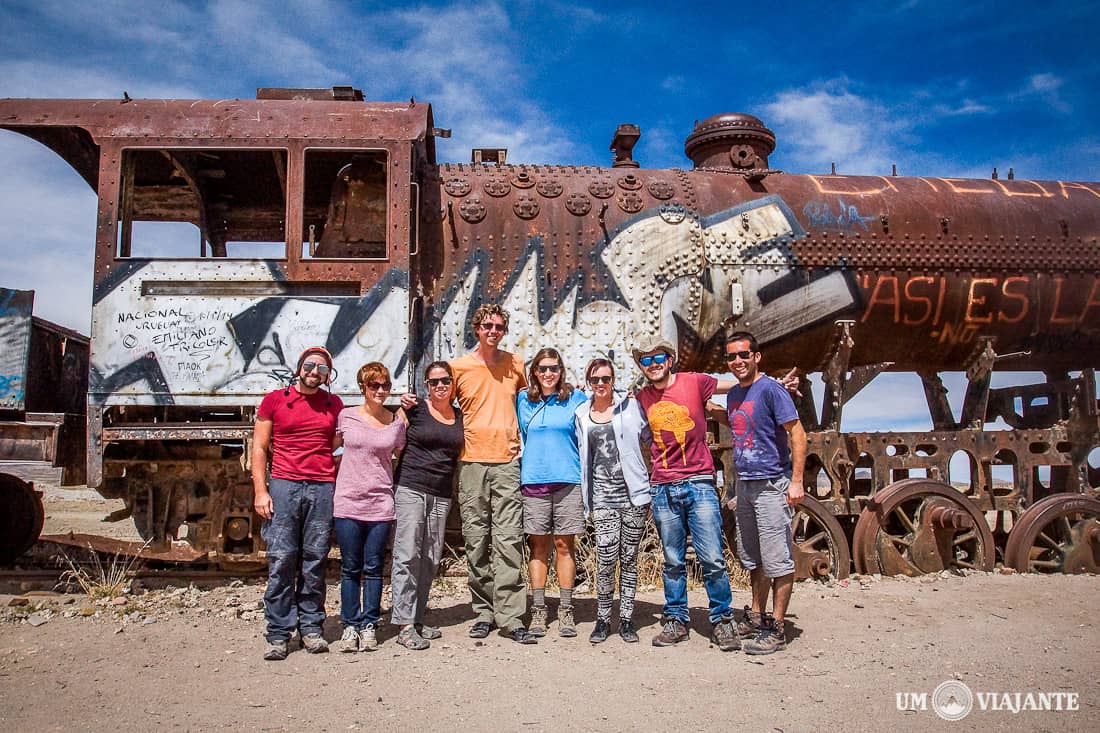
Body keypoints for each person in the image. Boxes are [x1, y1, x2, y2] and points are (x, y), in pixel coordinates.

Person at [632, 335, 740, 651]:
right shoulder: (642, 398)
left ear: (669, 359)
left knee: (712, 557)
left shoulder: (695, 382)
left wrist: (770, 384)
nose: (652, 365)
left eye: (657, 358)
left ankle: (723, 620)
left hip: (699, 481)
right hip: (663, 485)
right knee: (673, 560)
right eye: (645, 361)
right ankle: (677, 619)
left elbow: (735, 385)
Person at [449, 304, 536, 644]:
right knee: (476, 540)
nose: (493, 331)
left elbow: (533, 400)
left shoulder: (515, 365)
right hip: (471, 463)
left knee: (509, 540)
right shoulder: (459, 368)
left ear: (505, 330)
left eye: (499, 326)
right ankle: (484, 611)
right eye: (487, 325)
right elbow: (441, 405)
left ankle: (511, 616)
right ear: (477, 329)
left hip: (507, 462)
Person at [252, 346, 344, 661]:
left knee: (315, 561)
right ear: (299, 367)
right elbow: (260, 448)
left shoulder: (334, 404)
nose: (315, 371)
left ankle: (311, 628)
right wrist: (260, 491)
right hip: (284, 486)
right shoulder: (275, 400)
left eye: (322, 367)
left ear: (328, 375)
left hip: (321, 488)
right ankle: (278, 634)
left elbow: (336, 444)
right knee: (281, 560)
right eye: (310, 364)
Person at [723, 331, 806, 655]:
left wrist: (796, 481)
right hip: (745, 485)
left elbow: (798, 434)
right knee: (754, 558)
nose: (738, 361)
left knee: (778, 560)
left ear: (757, 356)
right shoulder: (735, 396)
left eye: (744, 354)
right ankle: (757, 615)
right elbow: (737, 422)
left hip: (772, 484)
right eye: (732, 357)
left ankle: (778, 627)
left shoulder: (771, 390)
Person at [574, 357, 652, 644]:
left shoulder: (631, 406)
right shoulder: (582, 414)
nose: (601, 384)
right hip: (602, 497)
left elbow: (651, 435)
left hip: (633, 496)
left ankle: (627, 619)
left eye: (606, 378)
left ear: (613, 380)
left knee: (629, 558)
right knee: (605, 559)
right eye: (595, 380)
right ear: (588, 383)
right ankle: (603, 618)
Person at [388, 361, 465, 650]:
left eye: (445, 381)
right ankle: (404, 624)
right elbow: (393, 439)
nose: (440, 386)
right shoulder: (414, 409)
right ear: (426, 386)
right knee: (407, 555)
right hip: (411, 488)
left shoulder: (459, 415)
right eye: (434, 382)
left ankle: (417, 618)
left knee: (430, 558)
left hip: (441, 494)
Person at [331, 362, 406, 652]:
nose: (380, 390)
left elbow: (398, 453)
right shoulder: (346, 416)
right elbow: (332, 446)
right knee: (350, 567)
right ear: (363, 387)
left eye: (385, 385)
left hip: (380, 502)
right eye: (374, 385)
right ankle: (350, 625)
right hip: (348, 501)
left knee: (374, 567)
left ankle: (369, 623)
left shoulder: (395, 422)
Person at [517, 348, 588, 637]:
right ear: (534, 371)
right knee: (538, 547)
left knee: (564, 546)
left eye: (554, 368)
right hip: (534, 480)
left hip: (567, 480)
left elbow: (604, 405)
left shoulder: (576, 398)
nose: (548, 373)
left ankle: (566, 610)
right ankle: (538, 610)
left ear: (561, 371)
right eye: (543, 368)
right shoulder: (523, 399)